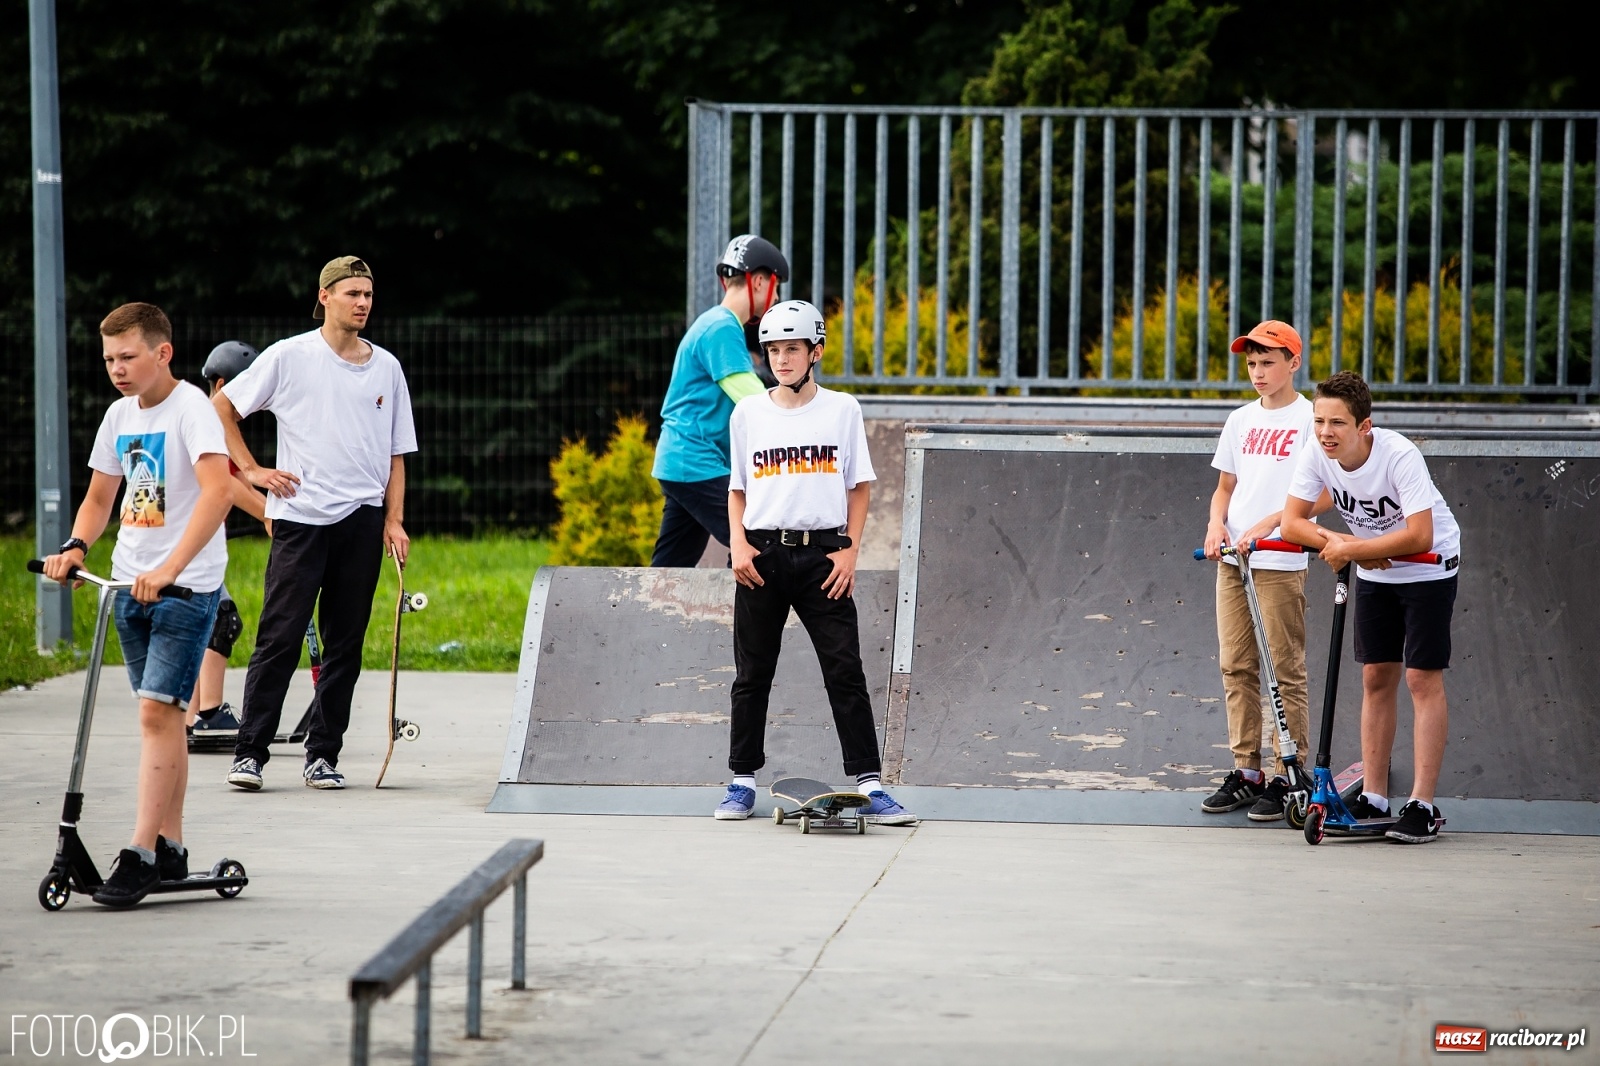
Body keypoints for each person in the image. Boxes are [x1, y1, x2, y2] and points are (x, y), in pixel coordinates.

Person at [42, 303, 233, 906]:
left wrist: (171, 568)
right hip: (127, 587)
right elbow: (101, 498)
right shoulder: (119, 415)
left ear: (162, 353)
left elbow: (220, 491)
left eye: (128, 357)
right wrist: (76, 547)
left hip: (184, 587)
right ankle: (171, 847)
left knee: (156, 715)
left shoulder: (192, 411)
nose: (117, 370)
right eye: (109, 360)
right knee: (166, 716)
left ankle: (140, 852)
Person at [216, 256, 417, 791]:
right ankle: (250, 752)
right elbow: (223, 408)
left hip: (363, 520)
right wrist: (254, 471)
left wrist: (394, 520)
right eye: (352, 293)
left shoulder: (387, 368)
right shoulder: (290, 357)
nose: (362, 303)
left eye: (368, 295)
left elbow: (397, 454)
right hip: (302, 519)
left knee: (345, 642)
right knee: (279, 637)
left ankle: (322, 754)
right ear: (325, 296)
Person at [714, 299, 916, 826]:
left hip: (825, 555)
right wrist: (737, 543)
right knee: (752, 673)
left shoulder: (842, 409)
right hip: (762, 554)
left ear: (815, 352)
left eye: (793, 349)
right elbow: (737, 489)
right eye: (774, 350)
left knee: (844, 670)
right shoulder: (747, 414)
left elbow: (860, 486)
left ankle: (871, 785)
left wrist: (849, 549)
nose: (782, 360)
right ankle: (741, 782)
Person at [1281, 371, 1462, 844]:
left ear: (1364, 426)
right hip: (1376, 568)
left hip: (1428, 567)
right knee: (1375, 676)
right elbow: (1291, 523)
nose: (1325, 432)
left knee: (1421, 677)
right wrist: (1345, 543)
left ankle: (1421, 804)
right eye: (1319, 420)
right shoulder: (1317, 455)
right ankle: (1376, 797)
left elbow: (1420, 534)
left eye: (1337, 423)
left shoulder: (1398, 454)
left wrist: (1356, 549)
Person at [1200, 321, 1329, 822]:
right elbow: (1224, 488)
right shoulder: (1239, 420)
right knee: (1236, 665)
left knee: (1284, 670)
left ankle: (1286, 776)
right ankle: (1247, 770)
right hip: (1235, 560)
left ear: (1293, 363)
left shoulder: (1309, 421)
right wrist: (1216, 525)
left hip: (1280, 558)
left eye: (1268, 363)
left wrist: (1275, 522)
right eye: (1252, 364)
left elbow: (1323, 493)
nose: (1258, 372)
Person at [651, 235, 788, 567]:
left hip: (684, 462)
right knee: (758, 544)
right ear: (758, 281)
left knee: (670, 571)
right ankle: (743, 618)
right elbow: (753, 401)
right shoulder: (720, 328)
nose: (778, 297)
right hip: (698, 462)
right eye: (776, 286)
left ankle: (640, 620)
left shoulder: (716, 325)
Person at [186, 341, 271, 752]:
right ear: (221, 385)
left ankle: (193, 716)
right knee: (220, 619)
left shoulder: (203, 419)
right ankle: (207, 714)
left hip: (199, 540)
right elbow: (232, 486)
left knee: (205, 622)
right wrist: (271, 515)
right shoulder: (208, 421)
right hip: (190, 541)